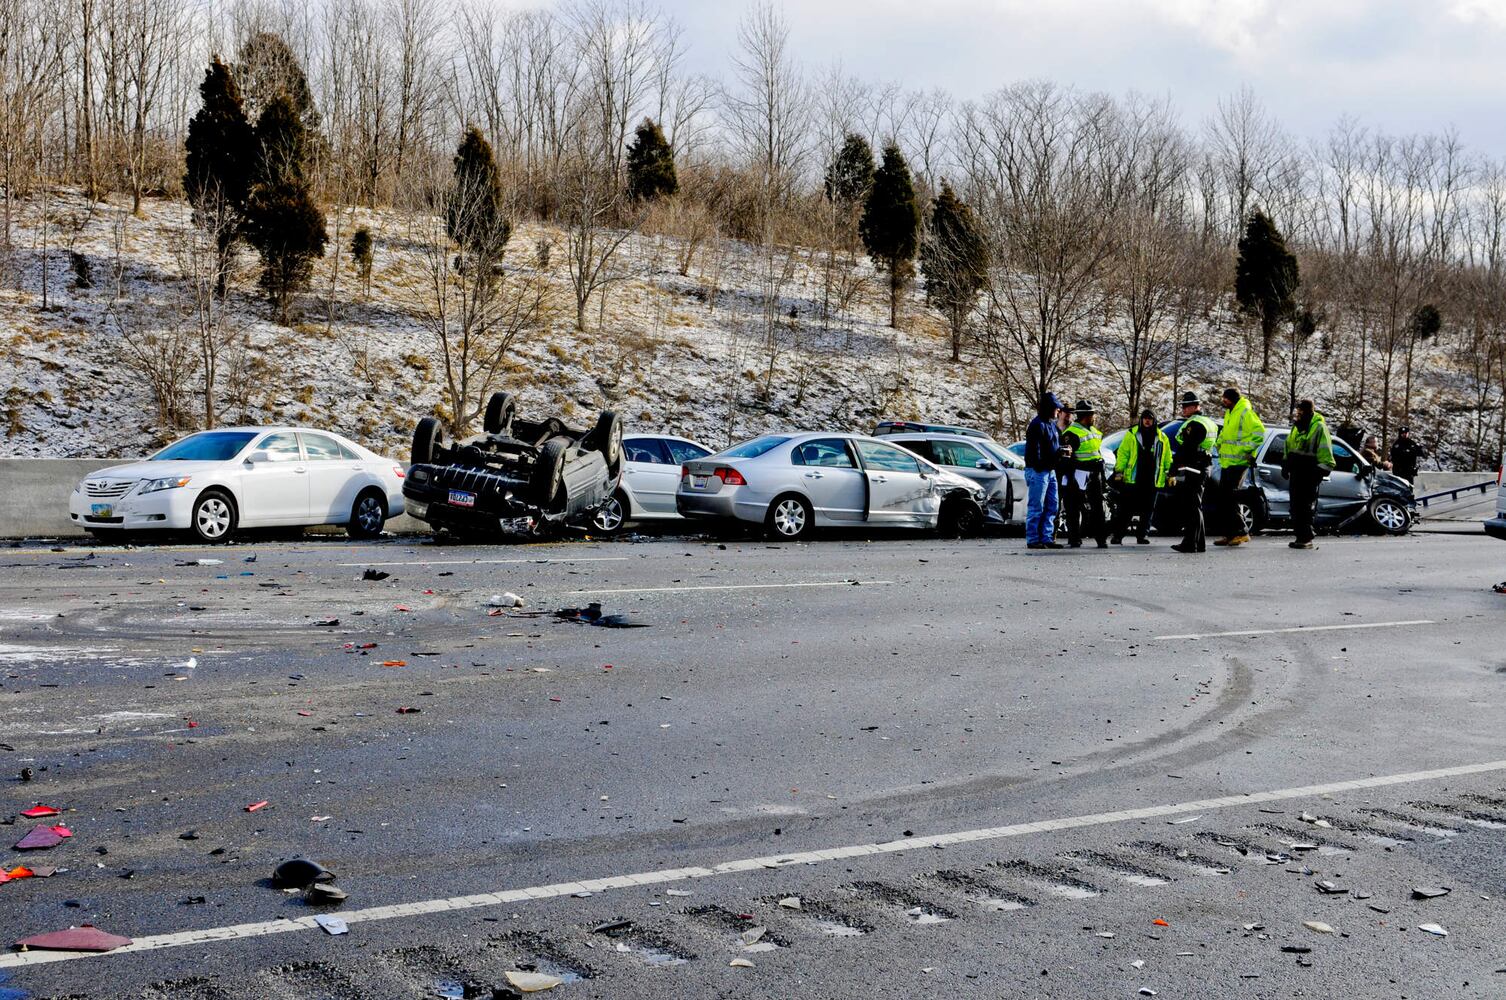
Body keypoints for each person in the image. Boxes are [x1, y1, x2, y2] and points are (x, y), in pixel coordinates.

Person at [1213, 387, 1265, 547]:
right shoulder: (1231, 412)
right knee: (1223, 498)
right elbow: (1227, 433)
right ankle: (1230, 534)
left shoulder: (1245, 412)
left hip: (1239, 463)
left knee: (1229, 498)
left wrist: (1246, 450)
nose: (1223, 401)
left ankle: (1241, 532)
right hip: (1228, 462)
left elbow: (1259, 432)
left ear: (1233, 399)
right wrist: (1219, 443)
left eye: (1225, 399)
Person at [1110, 408, 1171, 545]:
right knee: (1126, 509)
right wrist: (1119, 471)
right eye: (1145, 418)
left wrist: (1169, 473)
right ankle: (1118, 536)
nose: (1147, 421)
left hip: (1152, 479)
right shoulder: (1132, 434)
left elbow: (1167, 458)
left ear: (1154, 420)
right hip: (1134, 478)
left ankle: (1142, 535)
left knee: (1148, 510)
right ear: (1141, 420)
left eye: (1150, 419)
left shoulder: (1162, 437)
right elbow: (1123, 453)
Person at [1282, 399, 1334, 550]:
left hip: (1310, 472)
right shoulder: (1296, 427)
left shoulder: (1319, 427)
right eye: (1297, 411)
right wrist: (1285, 465)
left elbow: (1325, 452)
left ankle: (1306, 538)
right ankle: (1300, 536)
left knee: (1305, 507)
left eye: (1300, 412)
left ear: (1308, 412)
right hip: (1297, 472)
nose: (1297, 414)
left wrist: (1320, 471)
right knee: (1295, 506)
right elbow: (1289, 446)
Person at [1170, 392, 1216, 553]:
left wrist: (1173, 468)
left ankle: (1189, 543)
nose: (1183, 409)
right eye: (1183, 406)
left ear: (1196, 407)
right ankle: (1199, 543)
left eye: (1186, 406)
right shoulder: (1208, 422)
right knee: (1196, 506)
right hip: (1203, 465)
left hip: (1193, 466)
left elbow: (1187, 448)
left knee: (1191, 507)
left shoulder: (1194, 424)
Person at [1061, 400, 1108, 548]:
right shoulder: (1071, 434)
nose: (1094, 417)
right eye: (1092, 414)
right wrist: (1070, 478)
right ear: (1085, 416)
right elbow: (1066, 459)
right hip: (1078, 476)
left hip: (1094, 475)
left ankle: (1101, 539)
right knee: (1073, 508)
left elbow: (1096, 452)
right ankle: (1074, 538)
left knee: (1097, 509)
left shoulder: (1094, 431)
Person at [1023, 392, 1065, 549]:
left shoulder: (1051, 425)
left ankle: (1046, 537)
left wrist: (1060, 451)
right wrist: (1056, 456)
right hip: (1038, 471)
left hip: (1049, 471)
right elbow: (1036, 455)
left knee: (1052, 505)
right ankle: (1033, 539)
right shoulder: (1037, 425)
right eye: (1056, 408)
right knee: (1037, 506)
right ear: (1049, 408)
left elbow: (1051, 448)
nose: (1058, 411)